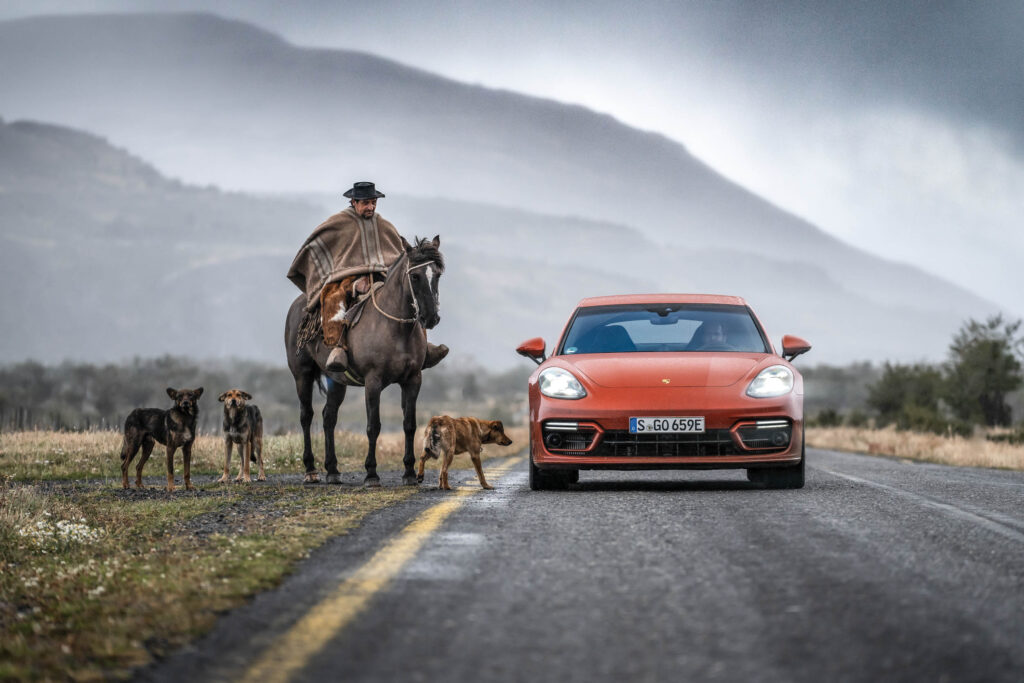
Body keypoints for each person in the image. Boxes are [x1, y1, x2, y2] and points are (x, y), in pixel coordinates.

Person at [287, 181, 447, 372]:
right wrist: (353, 285)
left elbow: (394, 257)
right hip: (345, 278)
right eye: (366, 203)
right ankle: (339, 348)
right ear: (354, 202)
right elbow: (320, 250)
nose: (370, 207)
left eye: (373, 202)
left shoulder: (383, 225)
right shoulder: (338, 223)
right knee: (333, 298)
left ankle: (421, 348)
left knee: (408, 295)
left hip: (381, 276)